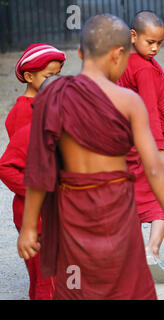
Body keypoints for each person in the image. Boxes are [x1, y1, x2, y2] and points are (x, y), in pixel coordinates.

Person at [16, 14, 164, 300]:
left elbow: (39, 168)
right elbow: (155, 169)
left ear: (81, 52)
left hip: (72, 211)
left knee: (75, 285)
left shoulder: (53, 95)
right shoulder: (129, 101)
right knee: (127, 286)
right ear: (119, 54)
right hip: (117, 210)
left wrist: (29, 227)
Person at [117, 10, 164, 282]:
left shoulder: (124, 60)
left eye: (160, 43)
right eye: (150, 42)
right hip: (146, 142)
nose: (155, 48)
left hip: (125, 141)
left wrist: (163, 114)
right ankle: (151, 250)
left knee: (133, 193)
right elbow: (147, 106)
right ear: (133, 36)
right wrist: (160, 148)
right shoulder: (144, 68)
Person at [0, 44, 65, 300]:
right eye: (49, 77)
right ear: (29, 76)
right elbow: (11, 164)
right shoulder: (25, 114)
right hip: (35, 214)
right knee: (45, 278)